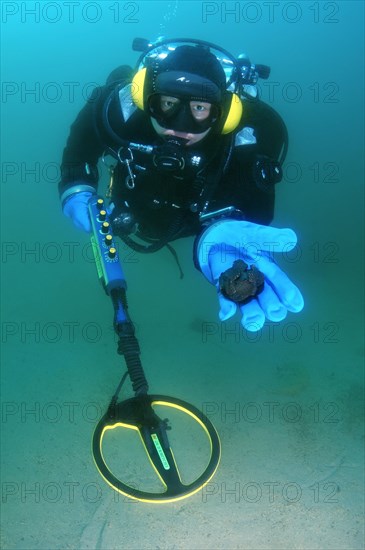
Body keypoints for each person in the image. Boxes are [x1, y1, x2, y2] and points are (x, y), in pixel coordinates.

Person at [59, 37, 304, 332]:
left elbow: (256, 212)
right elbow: (79, 149)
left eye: (200, 108)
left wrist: (219, 242)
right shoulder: (117, 110)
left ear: (223, 113)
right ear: (147, 97)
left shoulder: (243, 140)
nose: (179, 125)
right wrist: (77, 189)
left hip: (198, 220)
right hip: (131, 208)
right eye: (168, 104)